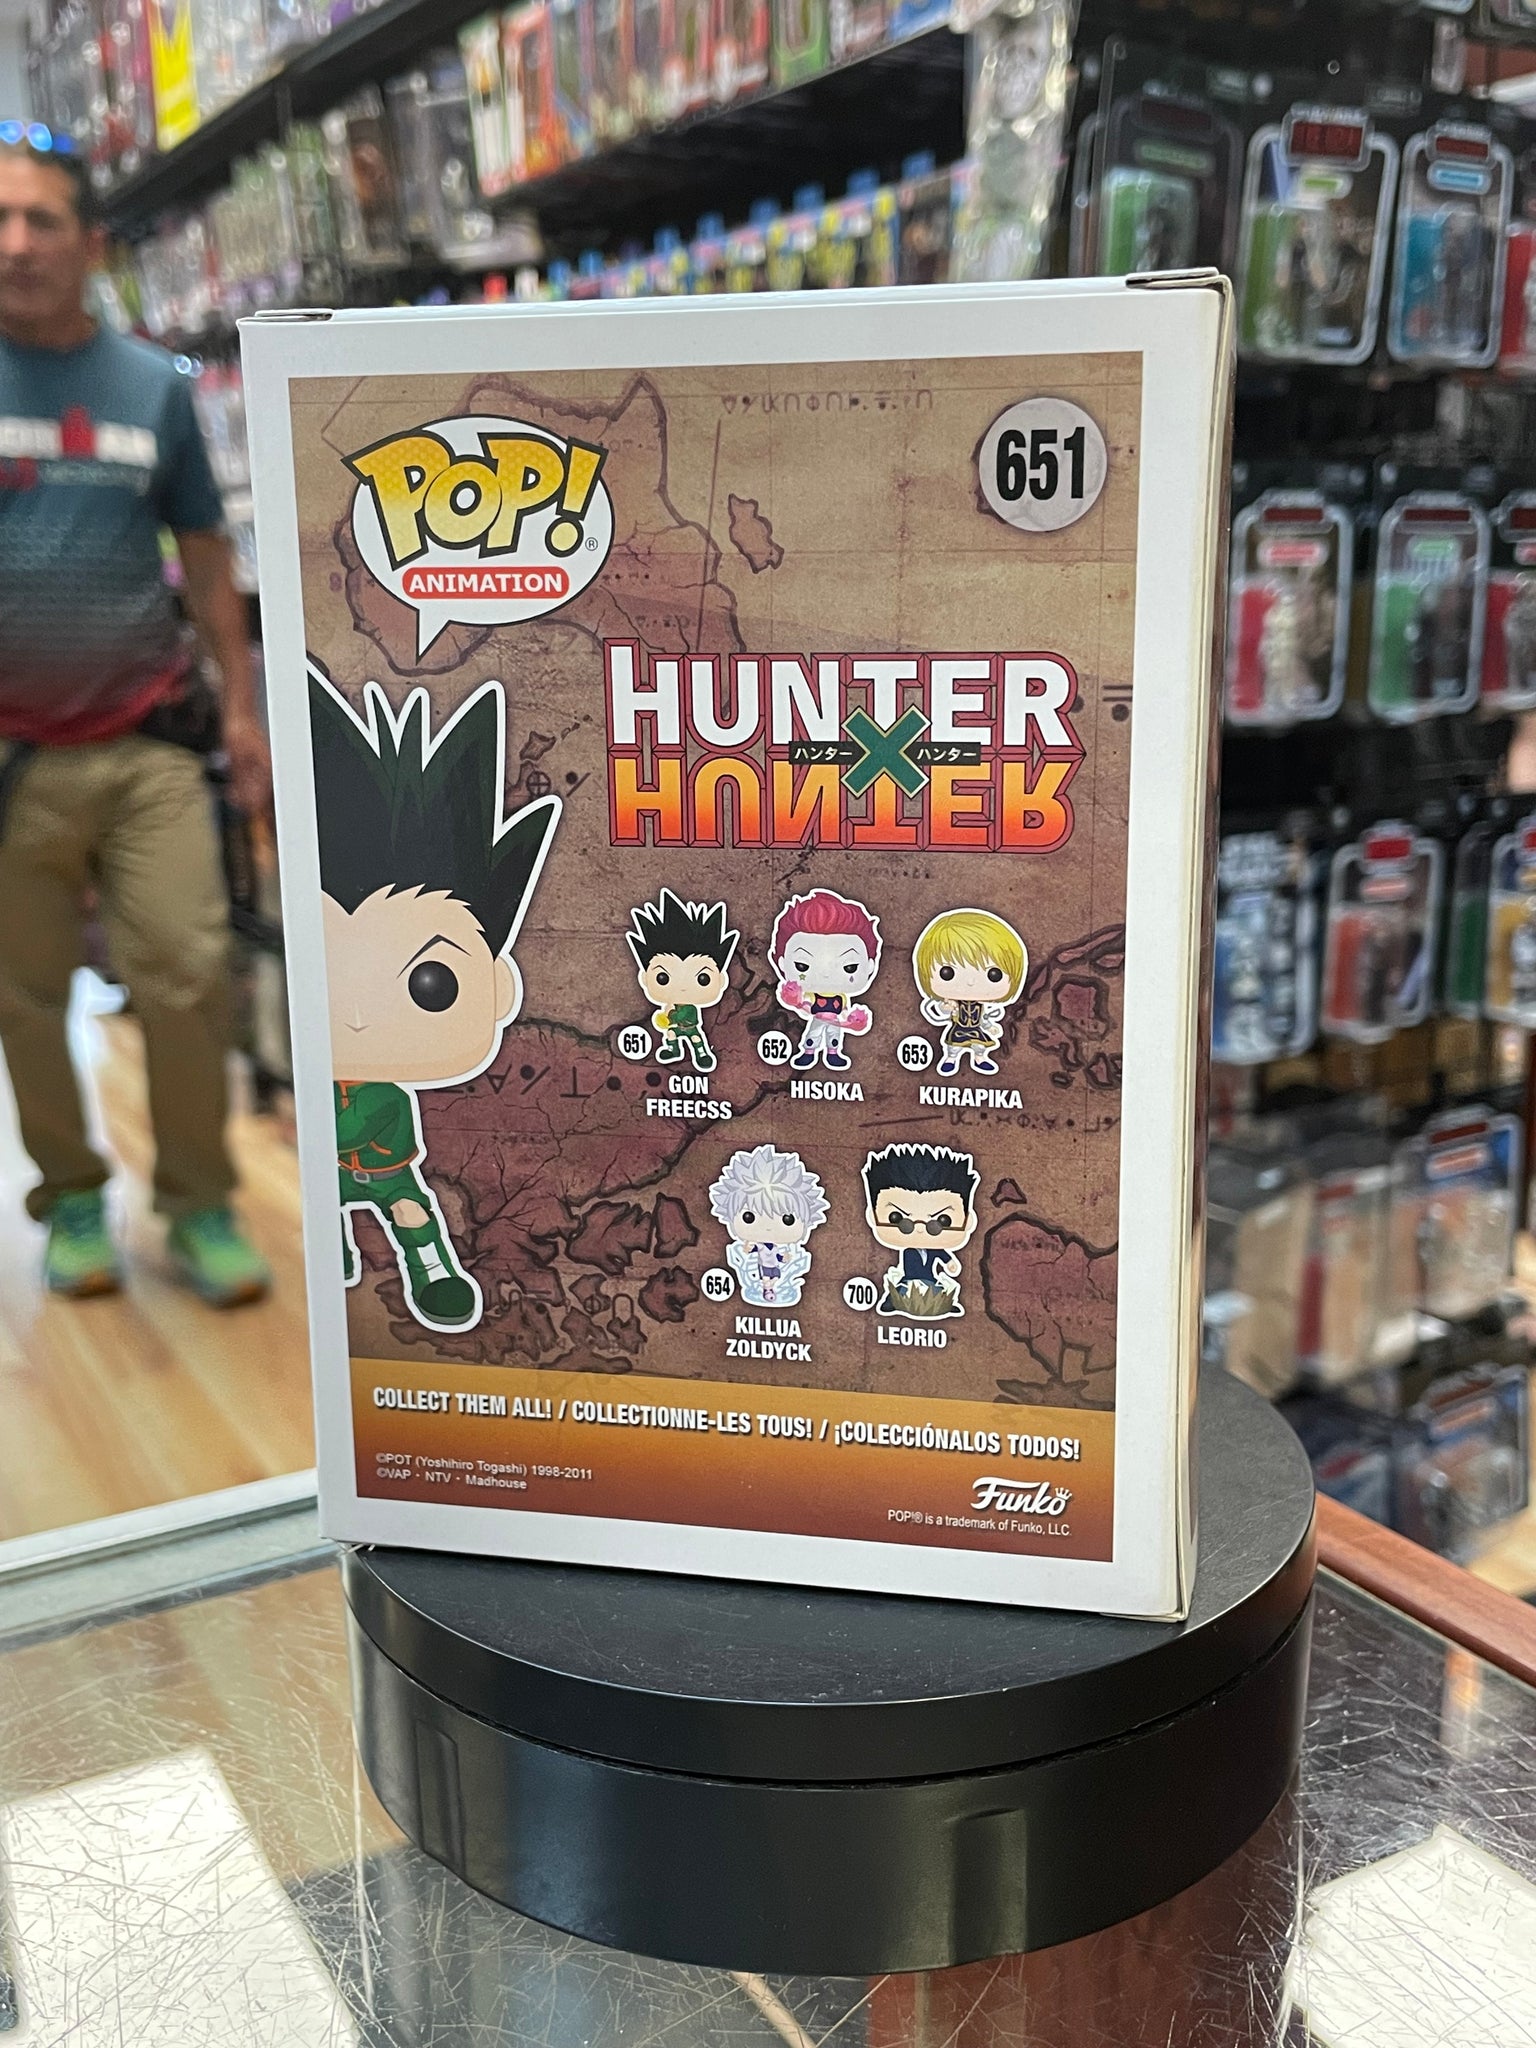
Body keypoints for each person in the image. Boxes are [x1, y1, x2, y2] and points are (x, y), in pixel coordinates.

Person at [0, 137, 272, 1304]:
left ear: (92, 244)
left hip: (150, 740)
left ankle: (200, 1201)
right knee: (25, 997)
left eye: (41, 221)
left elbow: (207, 557)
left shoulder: (153, 385)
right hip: (13, 762)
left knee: (189, 973)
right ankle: (70, 1198)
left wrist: (243, 709)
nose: (15, 244)